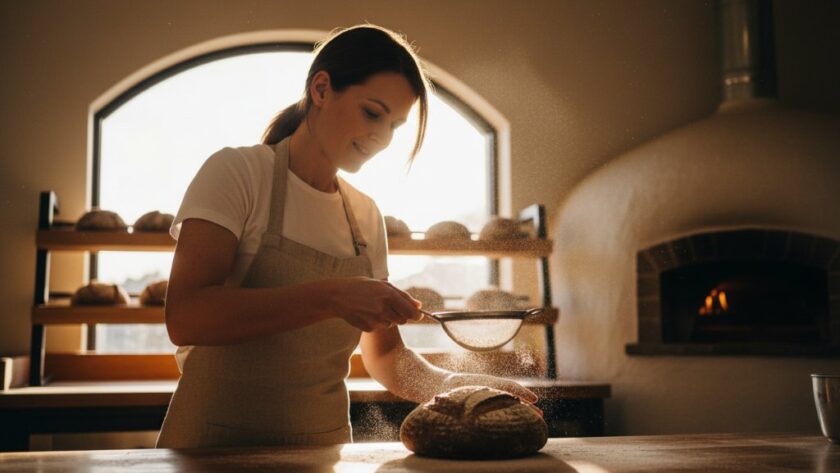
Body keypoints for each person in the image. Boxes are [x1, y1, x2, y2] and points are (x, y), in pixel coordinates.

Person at [156, 24, 539, 449]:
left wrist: (462, 386)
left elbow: (387, 357)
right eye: (372, 113)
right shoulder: (239, 173)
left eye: (395, 124)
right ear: (321, 89)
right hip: (211, 450)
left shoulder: (365, 215)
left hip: (324, 450)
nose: (383, 138)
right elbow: (186, 315)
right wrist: (334, 296)